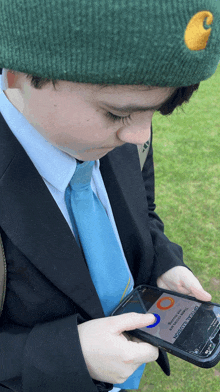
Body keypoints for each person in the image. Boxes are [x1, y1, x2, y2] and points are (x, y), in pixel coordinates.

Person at [0, 1, 219, 392]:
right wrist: (68, 356)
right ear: (17, 74)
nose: (140, 135)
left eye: (158, 111)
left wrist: (162, 264)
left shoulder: (126, 129)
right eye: (117, 114)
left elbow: (140, 213)